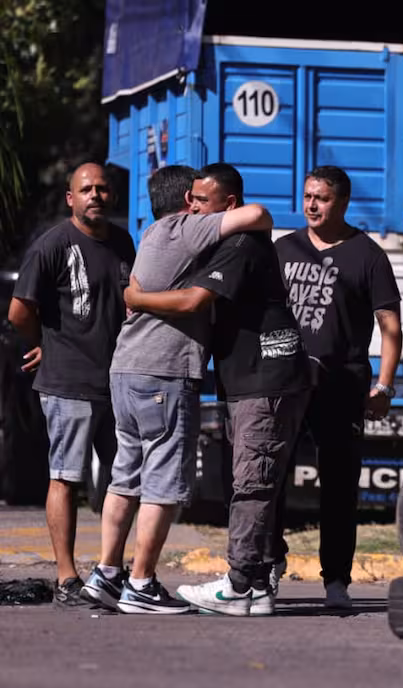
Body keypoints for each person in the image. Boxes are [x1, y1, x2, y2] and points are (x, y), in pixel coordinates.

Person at [79, 164, 274, 614]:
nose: (201, 206)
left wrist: (136, 298)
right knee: (163, 484)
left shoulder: (150, 234)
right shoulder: (187, 228)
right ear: (187, 201)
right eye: (198, 199)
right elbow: (258, 214)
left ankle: (107, 574)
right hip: (164, 373)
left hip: (125, 369)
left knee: (125, 477)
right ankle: (142, 584)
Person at [122, 163, 311, 616]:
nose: (192, 207)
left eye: (201, 201)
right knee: (255, 481)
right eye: (190, 199)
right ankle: (260, 583)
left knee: (251, 484)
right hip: (248, 378)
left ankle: (239, 586)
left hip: (265, 378)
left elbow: (194, 301)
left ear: (229, 204)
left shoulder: (240, 244)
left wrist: (135, 298)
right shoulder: (227, 239)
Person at [272, 165, 403, 608]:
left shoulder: (368, 255)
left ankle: (336, 581)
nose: (312, 205)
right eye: (308, 196)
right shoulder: (283, 249)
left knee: (339, 486)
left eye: (322, 198)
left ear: (342, 203)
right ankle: (269, 564)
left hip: (342, 385)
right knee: (270, 477)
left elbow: (390, 327)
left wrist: (384, 387)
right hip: (286, 383)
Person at [6, 163, 136, 607]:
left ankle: (110, 572)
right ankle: (66, 578)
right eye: (86, 189)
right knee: (66, 477)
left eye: (102, 189)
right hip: (68, 383)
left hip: (117, 382)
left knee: (124, 478)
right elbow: (19, 311)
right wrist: (43, 344)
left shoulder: (123, 243)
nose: (95, 195)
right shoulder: (53, 244)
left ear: (112, 196)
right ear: (71, 198)